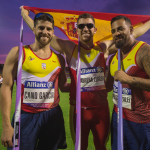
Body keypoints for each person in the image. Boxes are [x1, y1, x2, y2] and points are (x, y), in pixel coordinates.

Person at [20, 6, 150, 150]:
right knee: (80, 147)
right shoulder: (69, 48)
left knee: (101, 146)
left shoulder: (103, 47)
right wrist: (26, 16)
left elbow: (132, 34)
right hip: (78, 110)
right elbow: (44, 33)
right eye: (81, 26)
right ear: (76, 30)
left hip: (101, 109)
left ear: (95, 29)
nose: (86, 28)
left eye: (89, 25)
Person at [0, 13, 70, 150]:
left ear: (53, 32)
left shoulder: (60, 59)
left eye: (49, 29)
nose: (45, 32)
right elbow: (6, 87)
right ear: (34, 29)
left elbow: (63, 86)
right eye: (41, 28)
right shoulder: (18, 53)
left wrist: (86, 84)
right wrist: (7, 125)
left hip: (52, 116)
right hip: (25, 115)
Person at [106, 15, 150, 150]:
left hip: (140, 121)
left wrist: (129, 79)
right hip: (118, 117)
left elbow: (126, 80)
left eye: (120, 29)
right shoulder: (114, 57)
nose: (116, 33)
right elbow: (108, 87)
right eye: (113, 31)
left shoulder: (144, 51)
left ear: (131, 30)